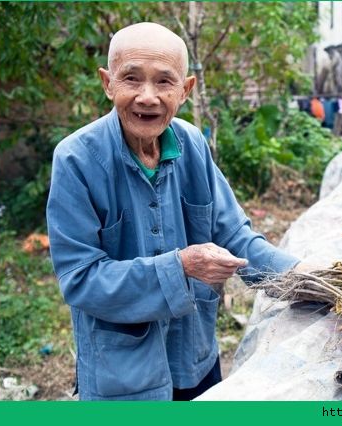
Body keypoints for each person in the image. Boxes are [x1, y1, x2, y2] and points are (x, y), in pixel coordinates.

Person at [46, 22, 306, 401]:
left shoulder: (192, 144)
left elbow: (233, 235)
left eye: (164, 82)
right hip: (122, 376)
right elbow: (81, 279)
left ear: (185, 90)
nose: (147, 97)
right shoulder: (76, 160)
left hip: (195, 356)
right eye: (131, 79)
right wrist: (181, 266)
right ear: (108, 83)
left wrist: (303, 278)